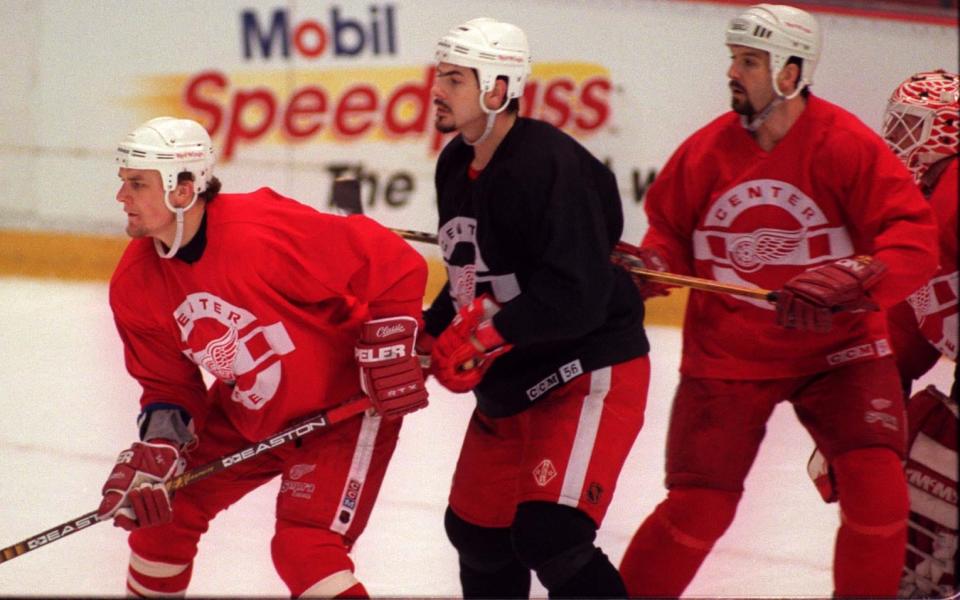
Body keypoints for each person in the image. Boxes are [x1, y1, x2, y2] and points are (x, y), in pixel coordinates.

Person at [615, 4, 939, 597]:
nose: (734, 73)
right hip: (728, 359)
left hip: (840, 352)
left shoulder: (847, 147)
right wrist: (650, 267)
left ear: (791, 73)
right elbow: (669, 236)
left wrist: (859, 277)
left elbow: (912, 238)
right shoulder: (704, 154)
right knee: (697, 508)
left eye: (750, 62)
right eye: (734, 60)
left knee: (877, 486)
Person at [96, 116, 429, 598]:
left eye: (137, 184)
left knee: (303, 548)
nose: (121, 197)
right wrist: (161, 450)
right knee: (162, 519)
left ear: (184, 188)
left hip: (343, 408)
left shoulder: (262, 232)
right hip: (252, 410)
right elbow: (169, 386)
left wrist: (392, 342)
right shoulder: (135, 283)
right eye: (123, 181)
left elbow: (393, 265)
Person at [421, 17, 652, 598]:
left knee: (551, 535)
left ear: (498, 89)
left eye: (454, 77)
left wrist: (488, 337)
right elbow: (467, 279)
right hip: (515, 377)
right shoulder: (454, 164)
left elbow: (579, 298)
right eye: (439, 74)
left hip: (587, 368)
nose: (437, 89)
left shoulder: (549, 164)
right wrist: (424, 335)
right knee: (475, 533)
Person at [809, 69, 958, 598]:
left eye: (907, 127)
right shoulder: (931, 208)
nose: (894, 141)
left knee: (938, 454)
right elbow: (907, 327)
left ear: (945, 131)